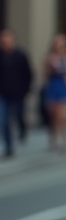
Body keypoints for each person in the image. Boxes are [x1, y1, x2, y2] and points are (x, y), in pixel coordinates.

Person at [0, 28, 33, 158]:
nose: (5, 42)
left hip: (19, 93)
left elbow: (28, 73)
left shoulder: (21, 55)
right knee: (4, 120)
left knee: (19, 114)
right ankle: (9, 146)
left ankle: (22, 128)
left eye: (8, 39)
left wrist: (28, 90)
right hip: (3, 93)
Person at [43, 33, 66, 152]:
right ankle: (53, 138)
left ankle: (64, 140)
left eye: (61, 42)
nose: (59, 44)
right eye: (57, 42)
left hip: (63, 85)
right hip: (53, 85)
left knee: (62, 115)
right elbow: (46, 74)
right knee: (53, 116)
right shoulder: (50, 56)